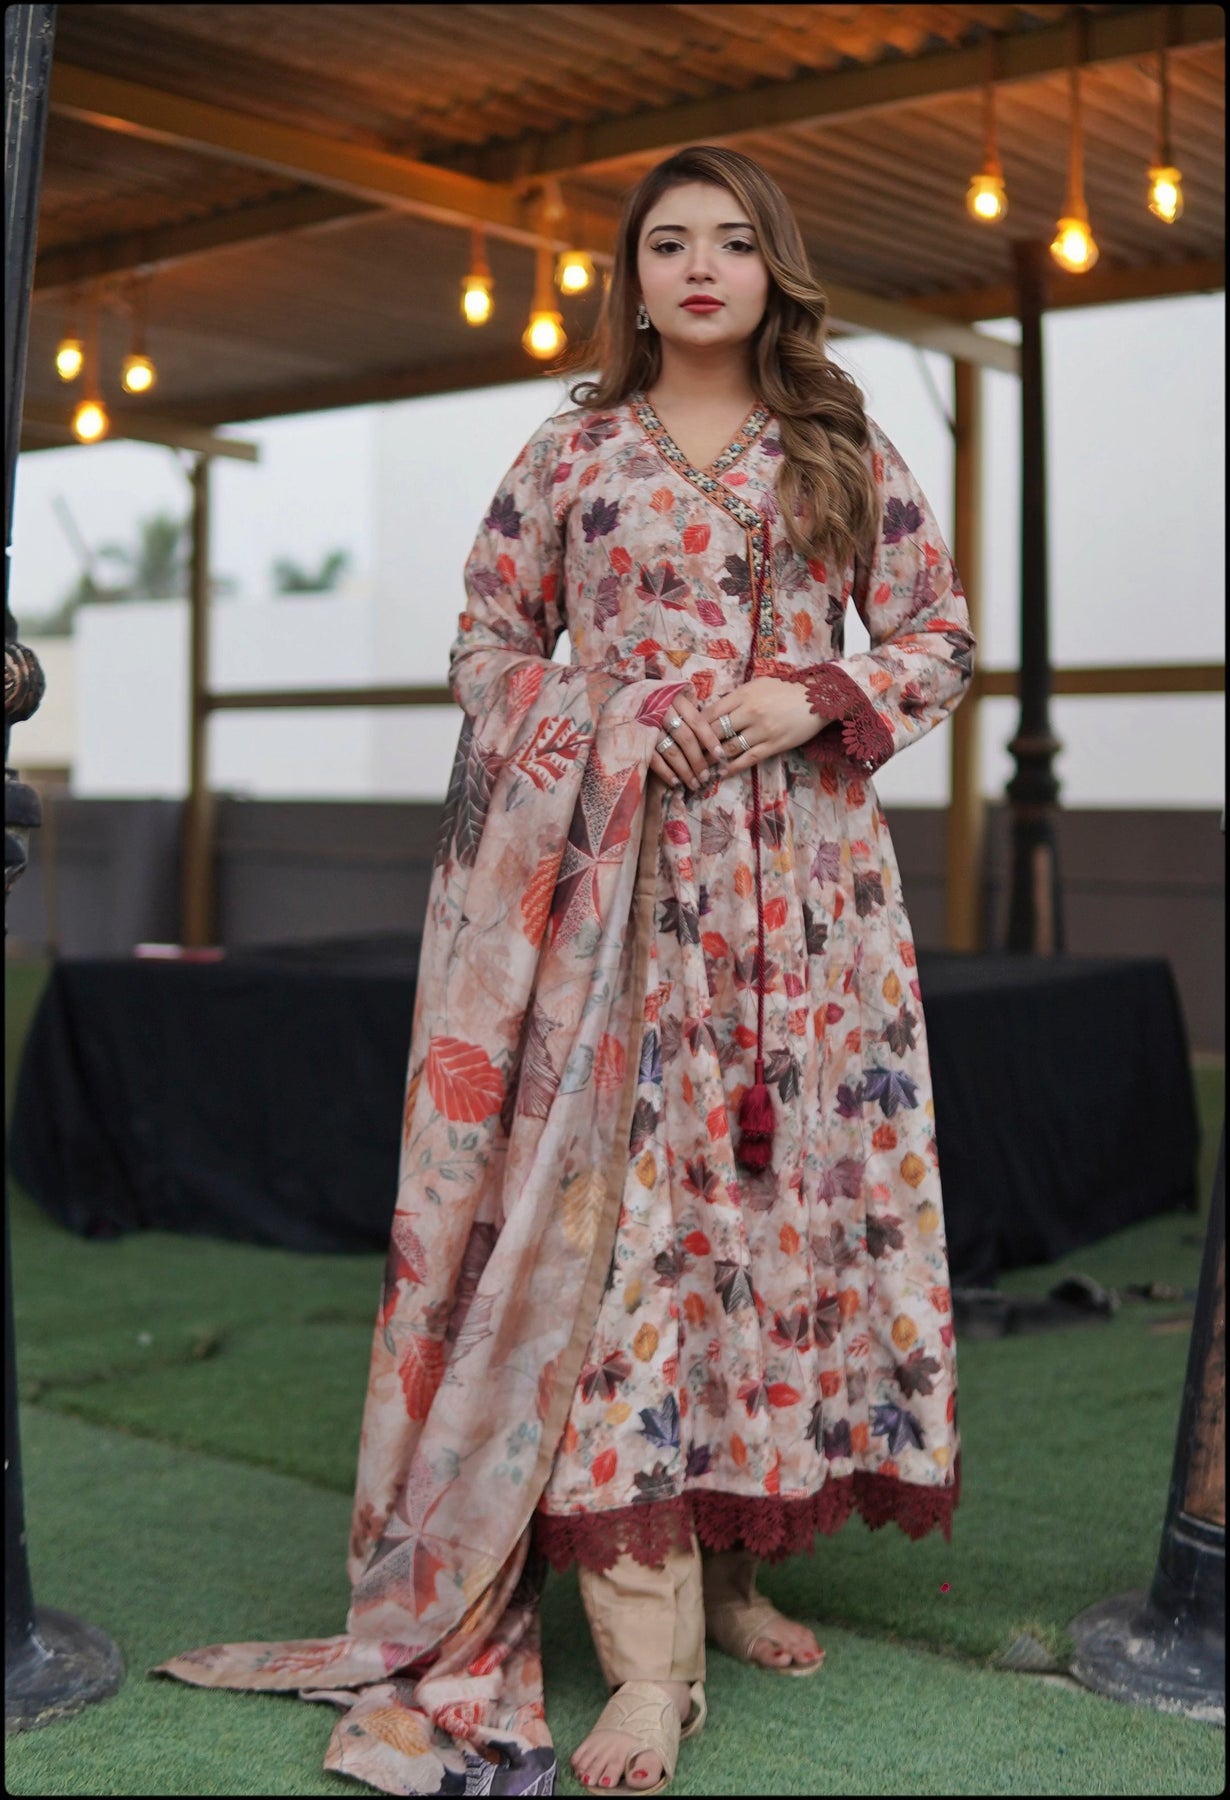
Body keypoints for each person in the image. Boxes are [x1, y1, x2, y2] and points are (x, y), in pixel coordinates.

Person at [153, 145, 971, 1799]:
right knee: (630, 1254)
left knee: (770, 1236)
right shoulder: (569, 453)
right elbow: (484, 647)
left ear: (772, 268)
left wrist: (806, 696)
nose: (699, 266)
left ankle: (732, 1575)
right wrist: (618, 719)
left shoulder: (841, 447)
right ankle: (650, 1668)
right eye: (667, 242)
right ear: (632, 276)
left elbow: (937, 637)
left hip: (811, 923)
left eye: (731, 241)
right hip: (611, 915)